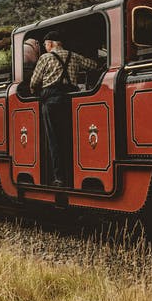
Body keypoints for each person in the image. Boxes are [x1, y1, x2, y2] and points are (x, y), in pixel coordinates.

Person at [29, 30, 100, 187]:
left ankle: (60, 177)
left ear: (52, 43)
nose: (45, 47)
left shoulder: (45, 58)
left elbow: (34, 82)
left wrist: (36, 93)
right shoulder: (74, 56)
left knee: (54, 140)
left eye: (46, 44)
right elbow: (94, 65)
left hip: (51, 99)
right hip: (70, 100)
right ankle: (75, 173)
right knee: (70, 138)